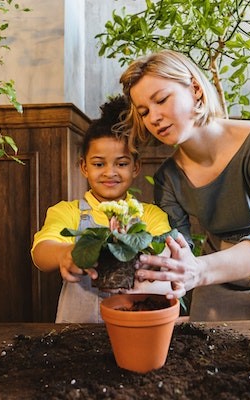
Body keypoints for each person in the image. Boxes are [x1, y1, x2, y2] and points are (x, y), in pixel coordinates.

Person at [117, 50, 250, 320]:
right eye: (144, 112)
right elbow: (180, 249)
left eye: (161, 100)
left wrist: (199, 270)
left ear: (196, 89)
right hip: (215, 276)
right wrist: (134, 251)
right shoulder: (168, 178)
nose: (153, 118)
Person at [31, 95, 172, 323]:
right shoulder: (69, 211)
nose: (110, 172)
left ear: (136, 167)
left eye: (122, 163)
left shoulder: (150, 215)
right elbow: (41, 252)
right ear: (84, 167)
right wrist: (66, 254)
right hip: (78, 329)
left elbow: (163, 251)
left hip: (136, 322)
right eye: (98, 164)